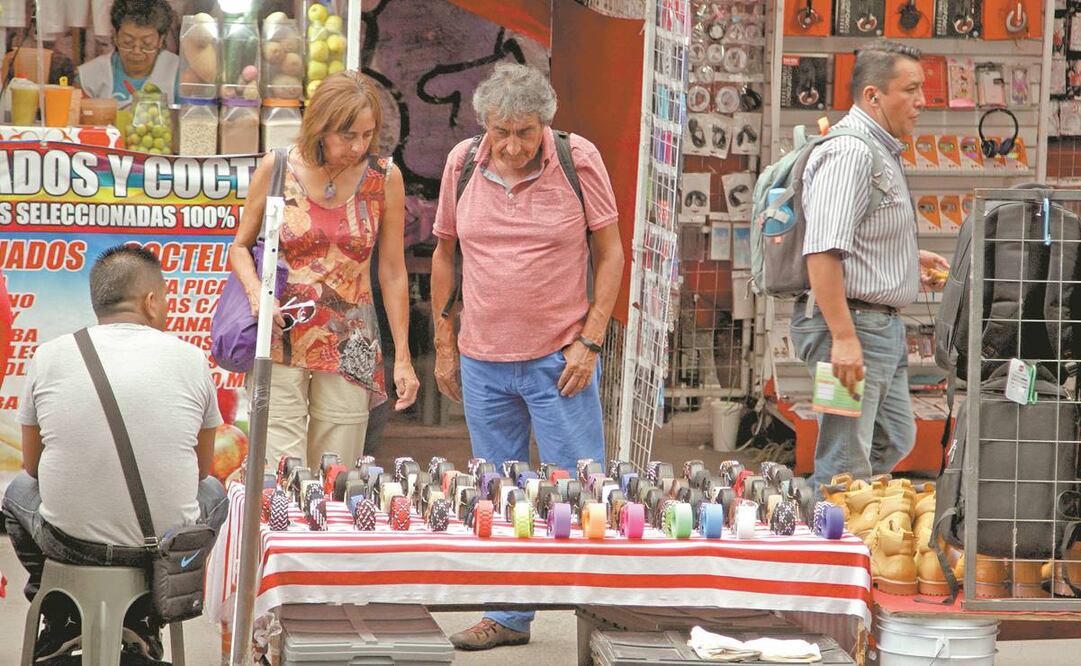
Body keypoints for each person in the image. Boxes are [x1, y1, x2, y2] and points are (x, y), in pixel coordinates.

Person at [432, 63, 625, 651]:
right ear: (484, 125)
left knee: (581, 490)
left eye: (526, 132)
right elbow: (445, 254)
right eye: (501, 132)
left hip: (558, 360)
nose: (512, 146)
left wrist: (590, 340)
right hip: (482, 360)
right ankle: (508, 616)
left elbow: (611, 254)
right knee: (499, 493)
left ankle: (605, 619)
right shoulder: (463, 162)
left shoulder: (577, 159)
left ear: (547, 123)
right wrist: (443, 346)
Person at [2, 245, 228, 662]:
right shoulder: (193, 361)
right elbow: (201, 471)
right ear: (150, 300)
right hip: (164, 544)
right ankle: (148, 615)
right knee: (216, 493)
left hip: (71, 545)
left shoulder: (48, 357)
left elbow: (31, 467)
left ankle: (57, 606)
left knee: (17, 494)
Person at [228, 70, 419, 467]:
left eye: (367, 134)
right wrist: (256, 298)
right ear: (320, 127)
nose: (358, 146)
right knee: (279, 472)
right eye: (347, 135)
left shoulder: (384, 178)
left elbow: (393, 272)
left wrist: (402, 356)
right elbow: (240, 248)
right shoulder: (277, 168)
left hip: (351, 343)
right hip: (281, 337)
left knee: (337, 470)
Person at [789, 40, 950, 494]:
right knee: (844, 455)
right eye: (911, 90)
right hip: (847, 329)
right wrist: (842, 338)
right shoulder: (851, 154)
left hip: (878, 331)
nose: (922, 102)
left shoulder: (880, 150)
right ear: (873, 96)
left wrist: (901, 258)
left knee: (895, 437)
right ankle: (833, 536)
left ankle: (844, 509)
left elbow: (854, 234)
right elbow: (821, 250)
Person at [77, 0, 179, 107]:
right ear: (115, 37)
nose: (136, 51)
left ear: (160, 41)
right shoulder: (89, 76)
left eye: (147, 43)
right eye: (128, 42)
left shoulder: (178, 72)